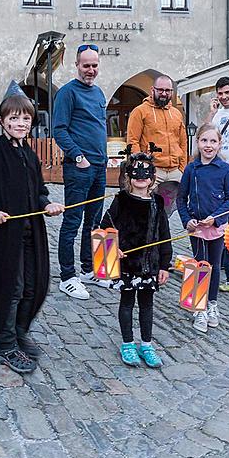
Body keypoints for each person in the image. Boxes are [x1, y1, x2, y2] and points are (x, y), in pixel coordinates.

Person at [0, 90, 64, 374]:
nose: (21, 123)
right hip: (5, 240)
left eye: (26, 118)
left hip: (31, 235)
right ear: (3, 121)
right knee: (13, 288)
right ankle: (6, 345)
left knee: (32, 286)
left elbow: (38, 192)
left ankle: (19, 333)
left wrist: (47, 204)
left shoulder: (29, 155)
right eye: (14, 118)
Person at [100, 153, 172, 368]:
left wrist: (164, 266)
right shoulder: (121, 200)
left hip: (150, 265)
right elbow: (106, 226)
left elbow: (165, 234)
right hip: (128, 265)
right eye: (136, 173)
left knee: (147, 305)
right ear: (128, 176)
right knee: (127, 303)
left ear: (152, 177)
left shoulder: (158, 203)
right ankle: (128, 343)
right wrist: (114, 248)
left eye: (146, 173)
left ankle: (147, 344)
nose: (141, 177)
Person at [53, 44, 108, 300]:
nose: (90, 70)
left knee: (94, 223)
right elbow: (60, 129)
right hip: (79, 168)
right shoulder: (67, 93)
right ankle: (67, 276)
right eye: (86, 65)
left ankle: (88, 269)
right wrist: (78, 156)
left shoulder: (98, 94)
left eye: (94, 65)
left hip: (99, 167)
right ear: (76, 65)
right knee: (72, 221)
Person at [177, 123, 229, 334]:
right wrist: (187, 220)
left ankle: (212, 304)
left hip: (216, 227)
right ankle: (198, 307)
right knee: (200, 264)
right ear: (198, 142)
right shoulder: (191, 169)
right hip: (197, 228)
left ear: (219, 144)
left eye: (213, 141)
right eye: (204, 140)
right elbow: (180, 198)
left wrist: (216, 218)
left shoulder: (225, 169)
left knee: (214, 266)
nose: (208, 145)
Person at [127, 75, 187, 186]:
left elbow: (183, 142)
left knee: (176, 203)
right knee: (149, 203)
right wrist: (142, 167)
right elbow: (132, 141)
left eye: (168, 90)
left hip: (175, 172)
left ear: (172, 92)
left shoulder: (176, 113)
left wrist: (182, 168)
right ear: (152, 90)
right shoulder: (140, 111)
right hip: (152, 170)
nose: (164, 93)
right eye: (160, 90)